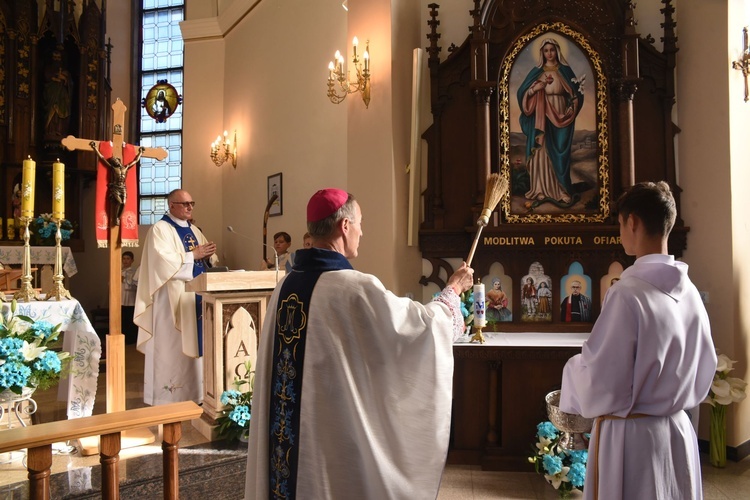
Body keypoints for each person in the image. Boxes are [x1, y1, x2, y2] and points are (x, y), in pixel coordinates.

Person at [245, 188, 474, 499]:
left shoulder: (286, 285)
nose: (362, 232)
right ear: (344, 226)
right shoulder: (354, 288)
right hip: (332, 433)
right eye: (361, 223)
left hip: (292, 433)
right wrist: (453, 289)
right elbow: (421, 330)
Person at [560, 181, 717, 499]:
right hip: (677, 431)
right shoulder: (690, 292)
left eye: (620, 224)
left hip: (633, 440)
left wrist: (573, 369)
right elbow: (706, 365)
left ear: (632, 222)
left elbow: (604, 378)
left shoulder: (627, 293)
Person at [133, 189, 218, 405]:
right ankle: (168, 396)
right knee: (172, 347)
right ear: (171, 205)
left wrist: (209, 256)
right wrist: (193, 255)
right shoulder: (159, 229)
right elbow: (162, 263)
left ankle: (198, 393)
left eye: (192, 203)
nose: (190, 207)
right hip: (170, 301)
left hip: (195, 297)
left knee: (197, 343)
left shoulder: (194, 230)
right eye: (185, 203)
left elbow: (206, 259)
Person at [517, 38, 584, 205]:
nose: (549, 53)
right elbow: (522, 94)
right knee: (542, 150)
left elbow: (577, 94)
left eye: (552, 50)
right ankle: (540, 188)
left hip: (561, 112)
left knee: (560, 151)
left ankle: (561, 190)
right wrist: (535, 89)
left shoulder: (566, 71)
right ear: (542, 53)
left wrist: (572, 106)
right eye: (546, 50)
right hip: (541, 114)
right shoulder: (537, 72)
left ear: (557, 51)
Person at [121, 251, 139, 345]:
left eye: (128, 259)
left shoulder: (134, 272)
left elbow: (133, 284)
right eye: (124, 258)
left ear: (132, 260)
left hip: (130, 298)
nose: (125, 261)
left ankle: (131, 339)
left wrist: (123, 279)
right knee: (122, 319)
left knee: (129, 319)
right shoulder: (119, 271)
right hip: (121, 298)